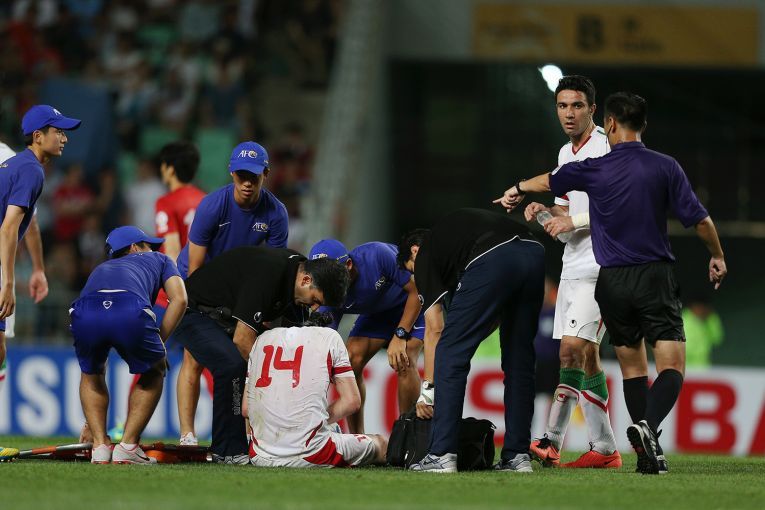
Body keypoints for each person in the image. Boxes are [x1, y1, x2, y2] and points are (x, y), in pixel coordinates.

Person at [495, 91, 727, 474]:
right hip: (653, 274)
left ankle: (644, 455)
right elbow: (700, 221)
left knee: (631, 368)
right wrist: (716, 255)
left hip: (611, 280)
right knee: (671, 366)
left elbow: (549, 180)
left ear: (610, 123)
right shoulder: (664, 166)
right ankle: (647, 426)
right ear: (644, 124)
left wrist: (518, 188)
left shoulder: (596, 166)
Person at [519, 75, 620, 469]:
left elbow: (618, 209)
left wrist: (571, 220)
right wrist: (545, 213)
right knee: (587, 356)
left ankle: (551, 440)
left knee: (570, 350)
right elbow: (565, 219)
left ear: (593, 109)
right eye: (562, 106)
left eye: (577, 105)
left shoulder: (607, 148)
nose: (569, 113)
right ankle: (605, 449)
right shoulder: (565, 153)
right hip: (572, 267)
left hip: (604, 265)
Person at [398, 208, 545, 473]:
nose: (417, 278)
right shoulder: (455, 242)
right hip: (534, 251)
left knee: (449, 352)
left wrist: (429, 390)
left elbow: (435, 329)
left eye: (412, 270)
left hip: (492, 255)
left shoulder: (426, 253)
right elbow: (490, 316)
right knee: (519, 359)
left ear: (414, 251)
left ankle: (441, 454)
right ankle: (517, 456)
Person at [173, 246, 350, 464]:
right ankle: (228, 451)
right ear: (306, 280)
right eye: (315, 300)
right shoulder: (270, 272)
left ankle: (273, 437)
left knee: (275, 363)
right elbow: (242, 339)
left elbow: (294, 349)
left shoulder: (299, 274)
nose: (313, 308)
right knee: (232, 365)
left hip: (225, 316)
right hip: (191, 311)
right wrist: (277, 380)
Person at [175, 141, 289, 446]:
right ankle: (187, 435)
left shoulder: (276, 213)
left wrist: (259, 311)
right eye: (241, 175)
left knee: (241, 360)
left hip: (239, 287)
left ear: (266, 174)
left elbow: (275, 268)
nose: (247, 183)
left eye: (253, 176)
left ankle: (245, 434)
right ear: (231, 173)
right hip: (200, 281)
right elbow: (195, 269)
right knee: (194, 357)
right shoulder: (213, 206)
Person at [0, 105, 80, 461]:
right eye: (58, 131)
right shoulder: (30, 169)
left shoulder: (20, 166)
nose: (64, 138)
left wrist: (36, 269)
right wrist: (7, 283)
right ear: (38, 136)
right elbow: (7, 229)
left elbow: (21, 224)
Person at [70, 226, 187, 464]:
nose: (153, 249)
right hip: (128, 305)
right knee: (154, 369)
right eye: (148, 245)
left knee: (91, 372)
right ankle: (128, 446)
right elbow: (180, 299)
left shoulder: (100, 268)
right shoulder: (160, 259)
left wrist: (89, 421)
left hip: (85, 309)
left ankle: (100, 445)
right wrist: (160, 343)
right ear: (135, 247)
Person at [308, 239, 425, 433]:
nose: (326, 283)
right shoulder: (328, 291)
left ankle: (406, 436)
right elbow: (323, 340)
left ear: (348, 265)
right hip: (378, 313)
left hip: (410, 302)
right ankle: (357, 437)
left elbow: (416, 290)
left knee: (403, 358)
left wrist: (400, 334)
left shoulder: (378, 255)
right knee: (350, 362)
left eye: (330, 274)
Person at [246, 319, 388, 468]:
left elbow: (246, 408)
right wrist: (307, 424)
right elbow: (352, 401)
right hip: (311, 453)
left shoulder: (261, 340)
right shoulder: (329, 336)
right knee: (382, 444)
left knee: (332, 429)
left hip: (260, 455)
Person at [682, 295, 724, 368]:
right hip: (685, 365)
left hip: (704, 366)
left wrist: (709, 321)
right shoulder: (683, 319)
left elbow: (717, 339)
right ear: (692, 307)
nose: (701, 310)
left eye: (703, 307)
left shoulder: (711, 319)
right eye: (698, 307)